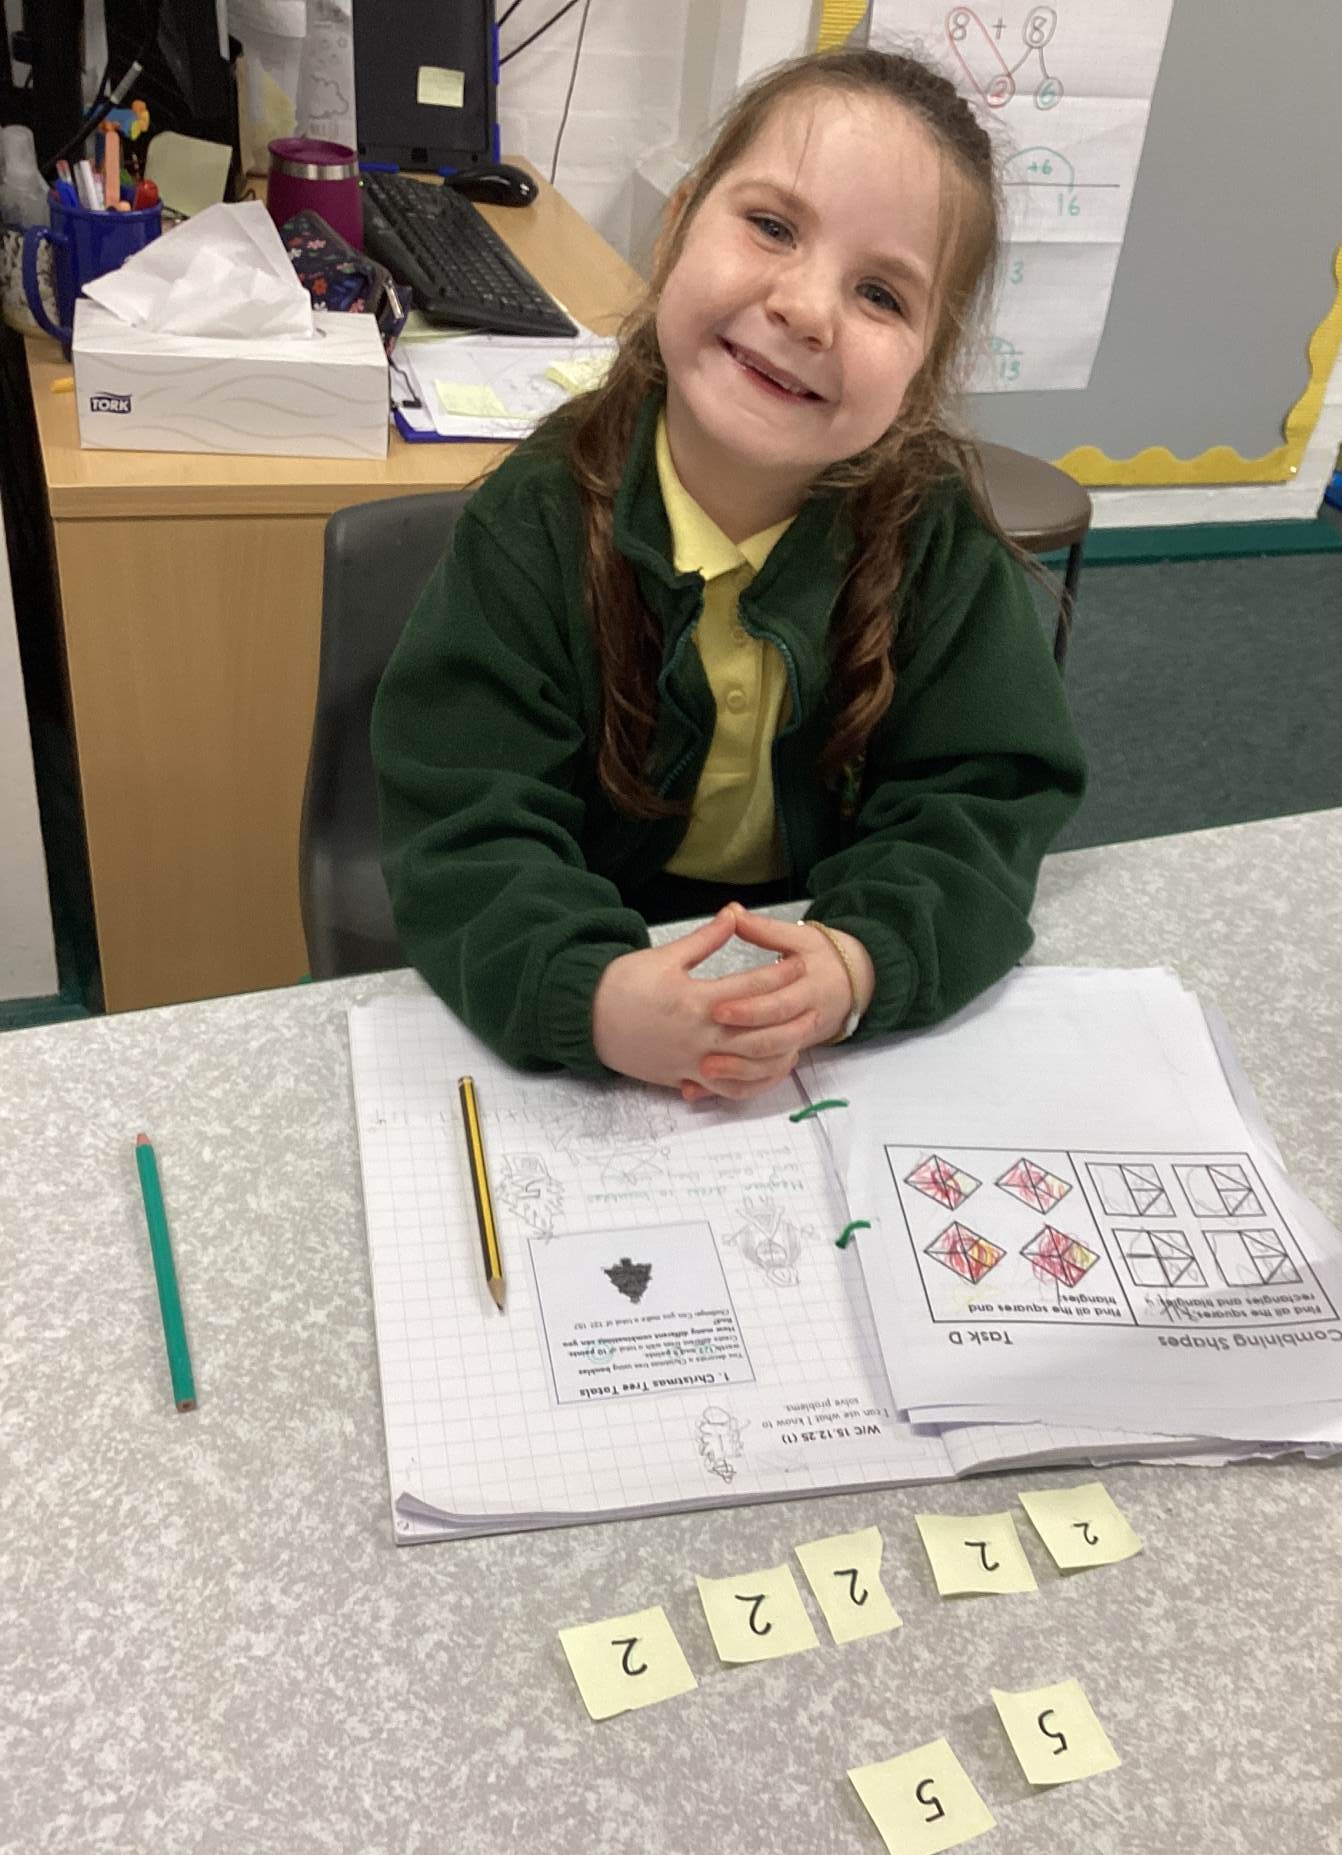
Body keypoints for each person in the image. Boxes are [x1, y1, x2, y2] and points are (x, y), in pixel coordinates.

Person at [372, 45, 1086, 1101]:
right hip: (596, 943)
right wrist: (590, 994)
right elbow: (466, 824)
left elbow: (982, 804)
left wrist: (862, 960)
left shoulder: (935, 535)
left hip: (819, 966)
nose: (806, 309)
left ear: (927, 365)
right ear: (677, 229)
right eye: (772, 226)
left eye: (881, 293)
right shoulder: (537, 518)